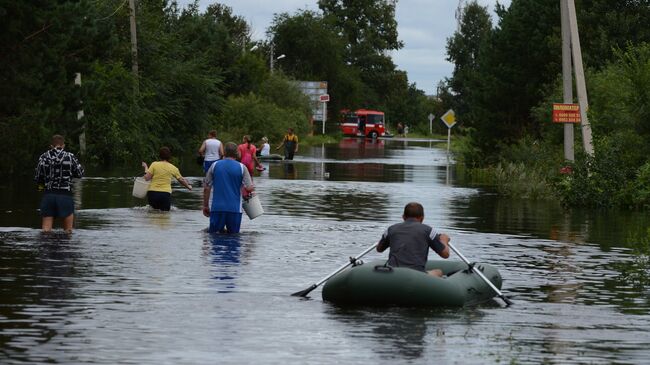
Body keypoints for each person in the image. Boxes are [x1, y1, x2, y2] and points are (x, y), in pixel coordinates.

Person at [376, 202, 450, 277]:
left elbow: (379, 249)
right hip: (417, 275)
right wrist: (444, 240)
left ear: (403, 217)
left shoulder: (391, 229)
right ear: (422, 218)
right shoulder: (428, 231)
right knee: (439, 272)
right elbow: (445, 254)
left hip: (393, 273)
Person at [34, 134, 84, 233]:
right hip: (65, 196)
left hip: (49, 196)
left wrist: (41, 190)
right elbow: (80, 174)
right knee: (68, 232)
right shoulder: (70, 157)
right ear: (63, 145)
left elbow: (38, 178)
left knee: (46, 231)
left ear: (51, 146)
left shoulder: (43, 157)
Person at [203, 142, 255, 234]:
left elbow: (207, 188)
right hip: (235, 210)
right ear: (237, 153)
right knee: (234, 240)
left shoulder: (214, 165)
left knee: (214, 238)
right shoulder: (242, 167)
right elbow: (249, 188)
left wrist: (206, 206)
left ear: (224, 152)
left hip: (217, 208)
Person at [141, 146, 192, 211]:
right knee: (165, 215)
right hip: (165, 194)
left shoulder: (154, 164)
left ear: (160, 155)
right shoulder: (173, 168)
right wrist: (188, 186)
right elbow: (181, 180)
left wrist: (145, 167)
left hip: (152, 193)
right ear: (169, 156)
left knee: (153, 213)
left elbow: (147, 178)